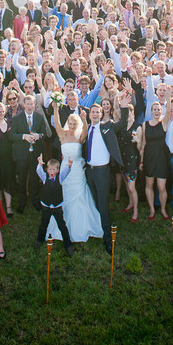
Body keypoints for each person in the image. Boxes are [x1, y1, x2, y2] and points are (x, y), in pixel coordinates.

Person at [49, 100, 103, 242]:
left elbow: (85, 130)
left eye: (75, 124)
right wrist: (55, 109)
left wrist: (84, 119)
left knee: (80, 195)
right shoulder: (62, 135)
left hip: (78, 170)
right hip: (66, 171)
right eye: (71, 123)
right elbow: (56, 122)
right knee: (66, 195)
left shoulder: (80, 137)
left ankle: (83, 225)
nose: (72, 126)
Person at [83, 101, 126, 254]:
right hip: (90, 171)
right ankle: (96, 228)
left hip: (102, 172)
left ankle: (108, 239)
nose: (95, 114)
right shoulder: (87, 129)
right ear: (89, 115)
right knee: (94, 201)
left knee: (103, 204)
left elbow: (122, 125)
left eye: (97, 112)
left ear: (101, 114)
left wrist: (125, 107)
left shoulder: (106, 127)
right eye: (92, 112)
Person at [10, 93, 47, 213]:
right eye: (27, 104)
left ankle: (35, 200)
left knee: (34, 178)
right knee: (22, 178)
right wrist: (23, 136)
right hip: (22, 154)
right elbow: (11, 135)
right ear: (23, 105)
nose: (30, 106)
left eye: (32, 104)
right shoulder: (17, 118)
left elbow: (44, 133)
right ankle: (22, 202)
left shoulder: (39, 117)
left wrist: (39, 135)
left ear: (35, 104)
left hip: (35, 154)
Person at [34, 154, 75, 256]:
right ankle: (39, 240)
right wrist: (39, 164)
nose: (52, 172)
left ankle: (68, 244)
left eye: (54, 170)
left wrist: (69, 165)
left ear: (57, 170)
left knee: (62, 226)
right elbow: (39, 171)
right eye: (50, 169)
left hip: (57, 207)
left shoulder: (60, 178)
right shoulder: (44, 177)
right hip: (46, 206)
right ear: (47, 170)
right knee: (44, 224)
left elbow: (66, 172)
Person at [141, 101, 170, 220]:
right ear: (151, 111)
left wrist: (168, 95)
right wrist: (141, 161)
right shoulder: (145, 124)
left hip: (161, 157)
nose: (157, 111)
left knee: (161, 186)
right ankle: (152, 209)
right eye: (155, 109)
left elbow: (168, 111)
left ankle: (163, 209)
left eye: (159, 109)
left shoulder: (164, 123)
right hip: (149, 157)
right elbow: (143, 143)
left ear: (161, 111)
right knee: (149, 184)